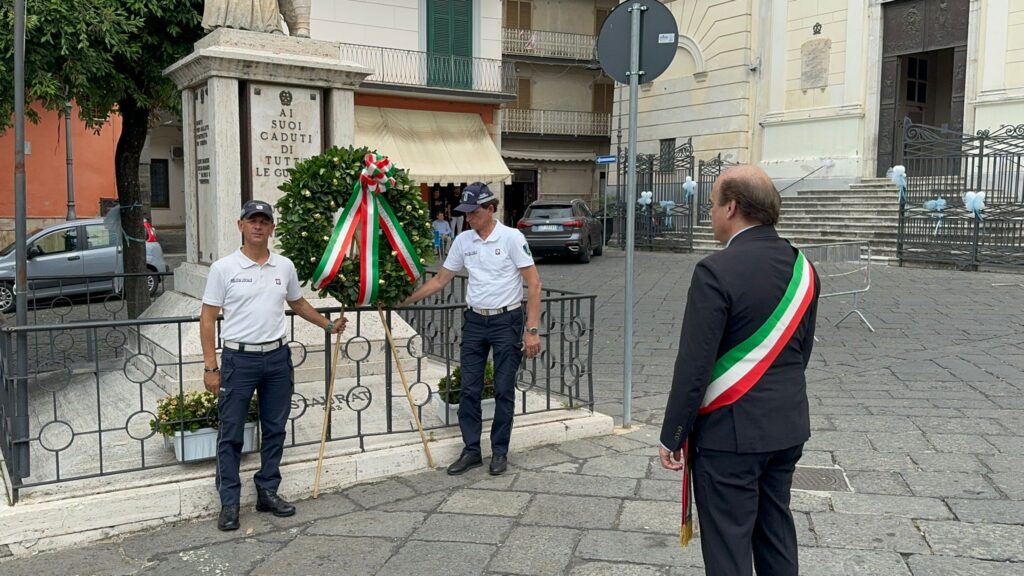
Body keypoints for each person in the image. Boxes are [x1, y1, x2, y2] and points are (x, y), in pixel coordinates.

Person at [658, 165, 820, 576]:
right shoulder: (804, 268)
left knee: (729, 546)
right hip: (786, 427)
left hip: (729, 436)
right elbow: (800, 353)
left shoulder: (715, 271)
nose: (710, 213)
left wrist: (673, 432)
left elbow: (694, 365)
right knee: (775, 532)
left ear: (731, 207)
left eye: (712, 205)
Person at [201, 200, 346, 531]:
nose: (258, 226)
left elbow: (297, 302)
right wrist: (211, 366)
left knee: (276, 428)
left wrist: (327, 326)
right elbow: (208, 317)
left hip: (277, 359)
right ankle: (230, 502)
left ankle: (268, 490)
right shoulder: (223, 269)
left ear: (272, 228)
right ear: (240, 225)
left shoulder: (284, 266)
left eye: (264, 221)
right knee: (232, 432)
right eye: (252, 220)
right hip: (239, 360)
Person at [401, 182, 542, 476]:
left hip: (507, 321)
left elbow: (534, 283)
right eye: (465, 213)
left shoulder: (512, 238)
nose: (469, 218)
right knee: (469, 388)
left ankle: (500, 451)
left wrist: (531, 330)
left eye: (474, 212)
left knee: (503, 389)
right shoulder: (464, 241)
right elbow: (441, 279)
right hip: (475, 321)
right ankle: (471, 450)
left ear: (491, 209)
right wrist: (406, 300)